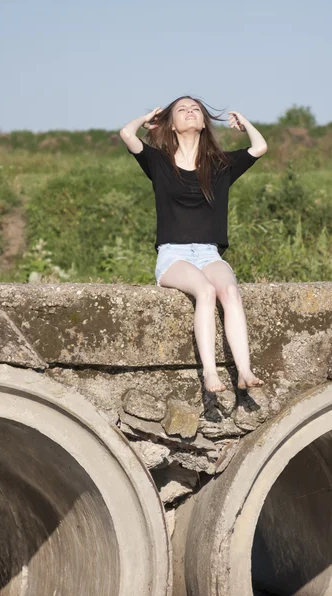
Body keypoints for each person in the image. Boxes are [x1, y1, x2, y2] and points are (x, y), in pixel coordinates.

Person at [119, 96, 268, 393]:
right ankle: (210, 374)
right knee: (205, 290)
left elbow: (260, 148)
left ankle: (244, 371)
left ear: (203, 123)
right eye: (182, 110)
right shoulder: (158, 162)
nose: (190, 112)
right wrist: (149, 116)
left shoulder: (220, 165)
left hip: (208, 253)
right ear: (171, 125)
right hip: (173, 256)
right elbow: (126, 134)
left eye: (195, 109)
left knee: (229, 289)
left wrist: (245, 124)